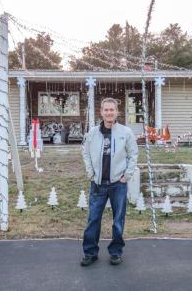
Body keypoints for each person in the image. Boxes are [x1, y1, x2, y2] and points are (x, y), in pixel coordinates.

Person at [81, 97, 138, 266]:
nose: (109, 113)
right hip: (98, 183)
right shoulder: (92, 133)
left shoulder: (126, 133)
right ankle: (90, 253)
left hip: (117, 183)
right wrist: (91, 173)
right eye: (106, 110)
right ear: (101, 112)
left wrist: (126, 176)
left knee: (118, 219)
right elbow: (85, 153)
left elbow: (133, 155)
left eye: (112, 110)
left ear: (117, 112)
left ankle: (115, 252)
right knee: (93, 219)